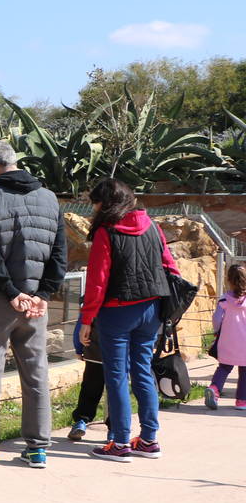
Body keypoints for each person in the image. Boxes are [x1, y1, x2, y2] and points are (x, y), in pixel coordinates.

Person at [0, 141, 68, 469]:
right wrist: (44, 294)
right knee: (36, 371)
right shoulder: (50, 198)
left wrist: (11, 292)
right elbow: (59, 255)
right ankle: (38, 448)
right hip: (35, 303)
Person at [76, 176, 176, 460]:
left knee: (117, 375)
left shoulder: (106, 232)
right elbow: (171, 268)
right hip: (151, 309)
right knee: (142, 371)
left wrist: (87, 319)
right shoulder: (153, 227)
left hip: (117, 311)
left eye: (95, 203)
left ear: (105, 203)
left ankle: (120, 443)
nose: (94, 209)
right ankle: (149, 439)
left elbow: (97, 280)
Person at [206, 262, 246, 410]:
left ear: (228, 280)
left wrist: (217, 330)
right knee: (245, 372)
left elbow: (216, 319)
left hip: (227, 342)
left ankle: (214, 388)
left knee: (223, 368)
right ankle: (242, 401)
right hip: (245, 345)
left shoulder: (224, 300)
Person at [66, 330, 103, 441]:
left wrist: (78, 348)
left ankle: (81, 421)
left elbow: (81, 325)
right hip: (121, 352)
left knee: (90, 388)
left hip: (95, 350)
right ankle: (115, 430)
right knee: (117, 392)